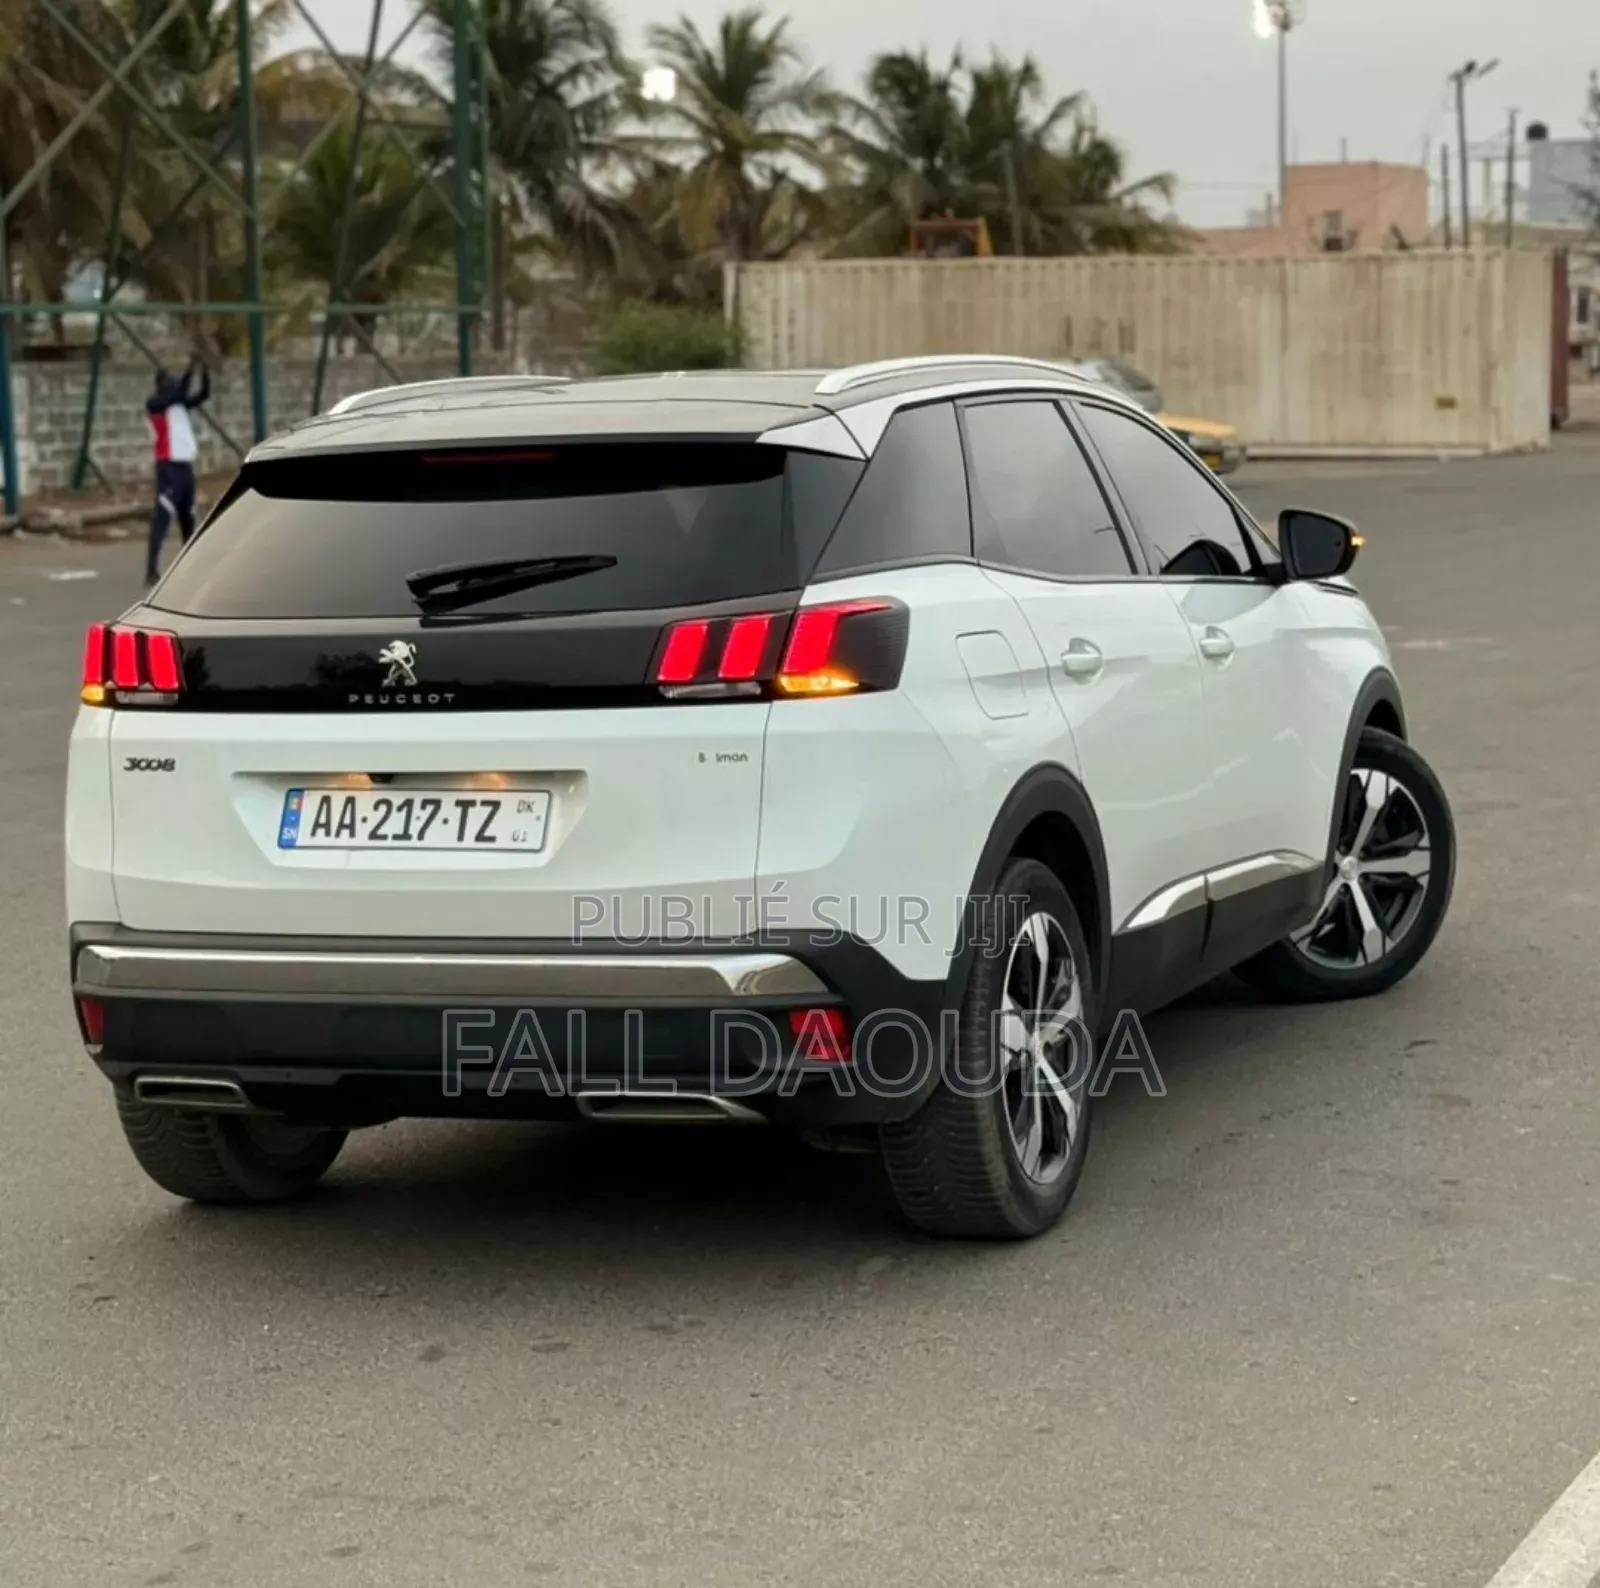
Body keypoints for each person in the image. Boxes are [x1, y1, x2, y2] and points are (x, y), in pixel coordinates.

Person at [145, 356, 210, 586]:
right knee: (162, 519)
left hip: (185, 468)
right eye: (169, 381)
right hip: (168, 468)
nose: (173, 384)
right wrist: (190, 370)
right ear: (161, 385)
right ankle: (151, 569)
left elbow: (203, 395)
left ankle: (190, 567)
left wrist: (204, 370)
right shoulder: (155, 404)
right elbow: (178, 392)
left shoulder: (179, 404)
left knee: (188, 519)